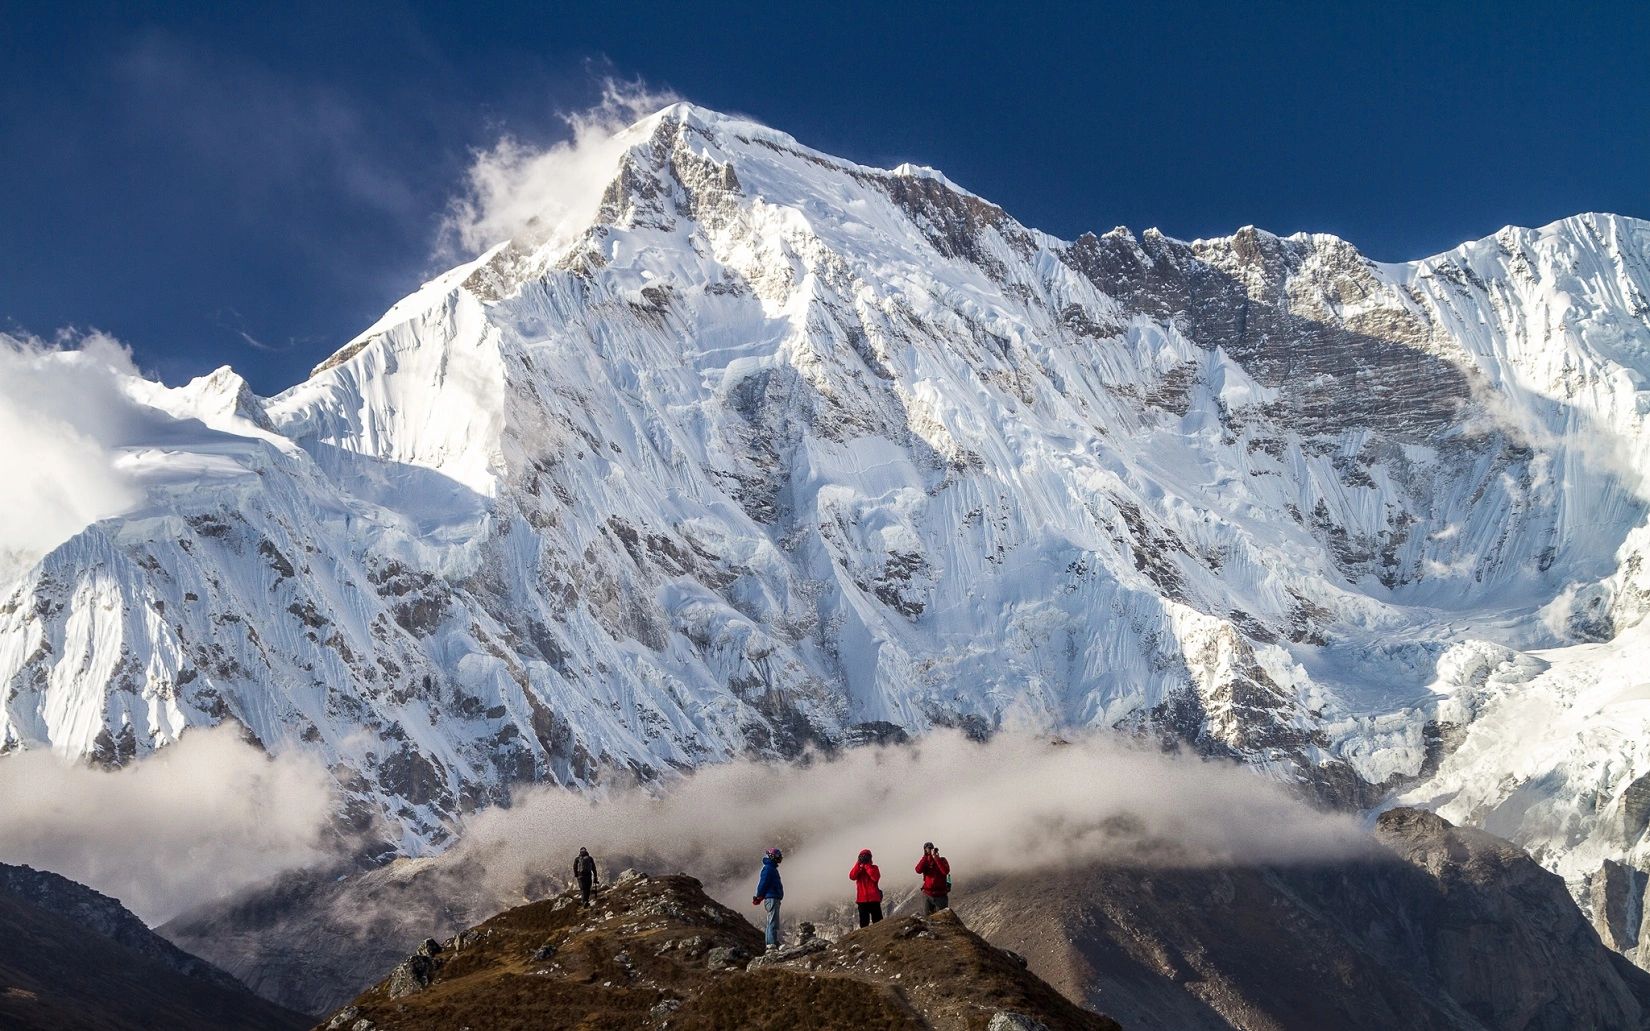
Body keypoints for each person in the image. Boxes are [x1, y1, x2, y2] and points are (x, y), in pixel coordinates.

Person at [752, 847, 785, 950]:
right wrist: (758, 895)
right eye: (778, 857)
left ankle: (772, 943)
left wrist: (759, 897)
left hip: (772, 898)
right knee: (772, 922)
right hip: (772, 898)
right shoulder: (769, 868)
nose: (779, 859)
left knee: (772, 921)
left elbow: (764, 884)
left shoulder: (770, 868)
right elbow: (763, 883)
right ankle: (771, 944)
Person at [850, 848, 883, 927]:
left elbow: (875, 878)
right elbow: (852, 876)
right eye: (862, 857)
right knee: (864, 923)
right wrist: (858, 864)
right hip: (862, 900)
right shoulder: (859, 870)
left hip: (874, 899)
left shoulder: (874, 868)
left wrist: (867, 866)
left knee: (878, 921)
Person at [915, 841, 950, 914]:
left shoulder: (942, 860)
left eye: (930, 849)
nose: (929, 850)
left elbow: (945, 871)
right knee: (927, 918)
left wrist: (936, 859)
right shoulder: (926, 861)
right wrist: (925, 856)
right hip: (927, 893)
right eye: (927, 849)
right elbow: (918, 870)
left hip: (940, 894)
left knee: (942, 917)